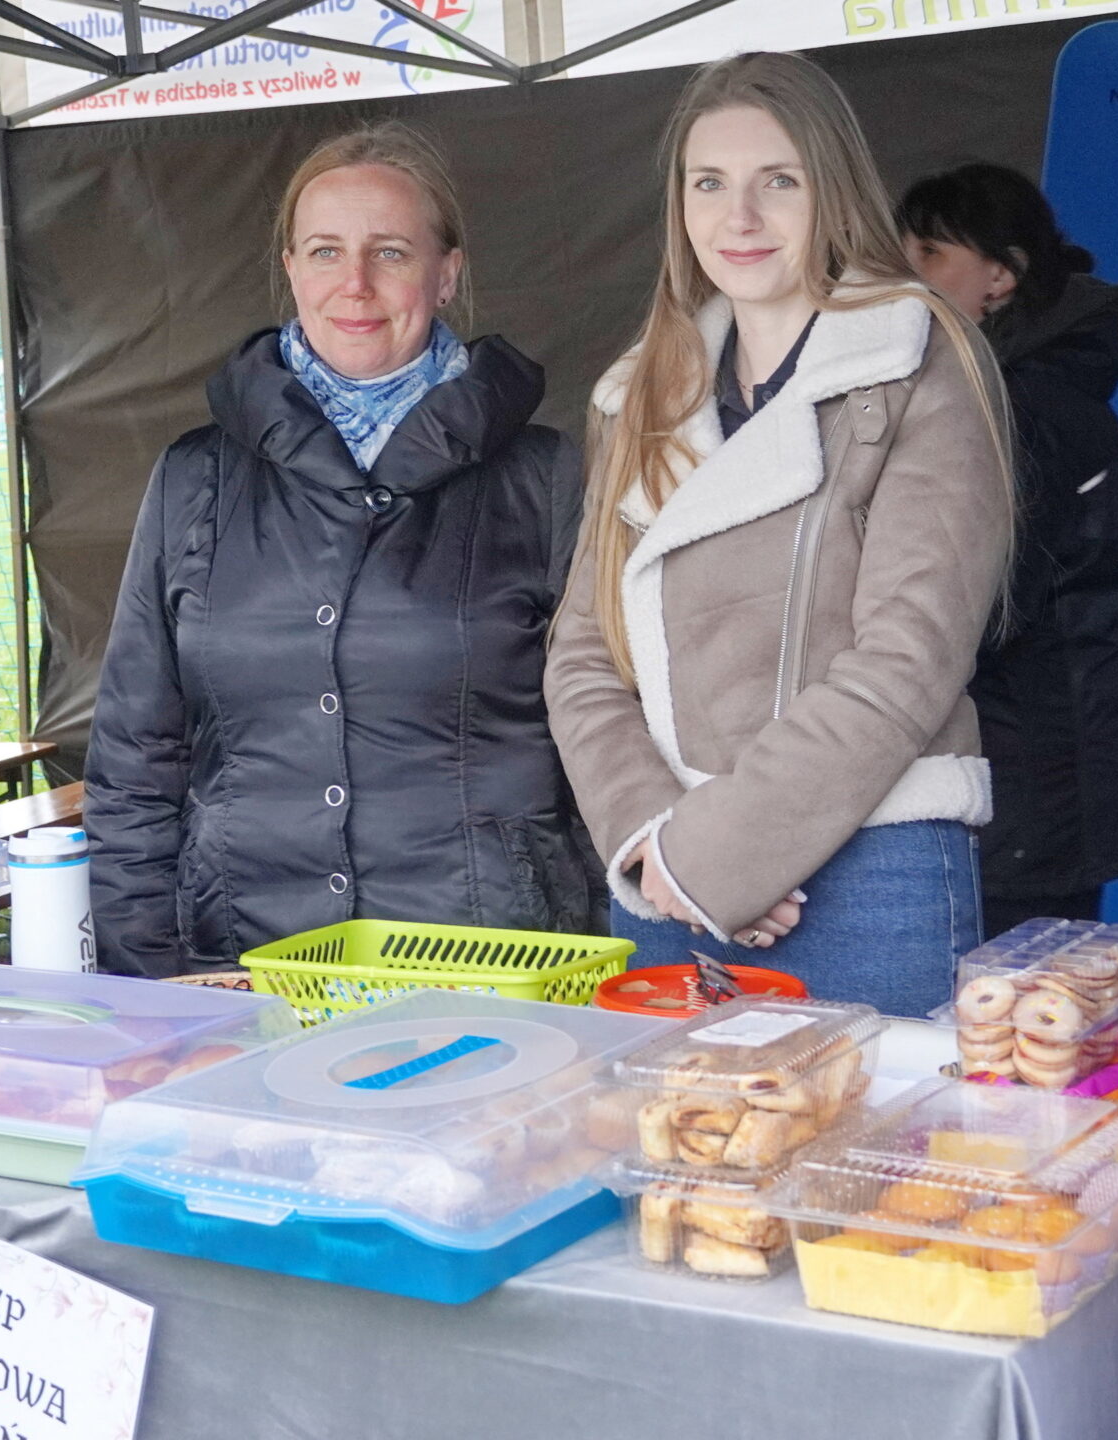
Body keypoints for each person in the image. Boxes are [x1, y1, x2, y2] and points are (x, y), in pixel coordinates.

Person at [545, 52, 1015, 1018]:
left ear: (832, 191)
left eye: (779, 182)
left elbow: (911, 653)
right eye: (709, 184)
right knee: (683, 1125)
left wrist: (726, 852)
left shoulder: (916, 360)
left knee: (875, 1126)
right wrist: (654, 841)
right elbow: (583, 652)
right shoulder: (638, 394)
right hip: (665, 877)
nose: (741, 217)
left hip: (872, 869)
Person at [85, 123, 595, 976]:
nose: (354, 284)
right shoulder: (195, 478)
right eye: (326, 251)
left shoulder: (542, 476)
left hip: (492, 959)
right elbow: (136, 754)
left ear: (446, 273)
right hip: (245, 958)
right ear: (291, 268)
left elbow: (607, 725)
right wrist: (148, 977)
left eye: (390, 252)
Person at [898, 162, 1118, 938]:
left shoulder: (1022, 406)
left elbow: (985, 606)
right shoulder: (1014, 390)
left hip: (1033, 783)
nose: (905, 276)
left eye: (930, 254)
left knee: (1020, 1000)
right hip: (1040, 776)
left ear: (1002, 276)